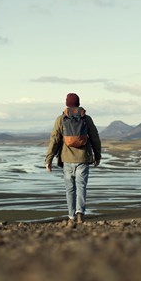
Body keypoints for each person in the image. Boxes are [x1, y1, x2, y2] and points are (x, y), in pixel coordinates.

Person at [45, 93, 101, 226]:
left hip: (67, 159)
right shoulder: (86, 118)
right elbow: (95, 137)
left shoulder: (61, 119)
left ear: (67, 103)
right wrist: (97, 155)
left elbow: (54, 139)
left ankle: (71, 217)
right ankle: (80, 214)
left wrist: (49, 159)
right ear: (78, 103)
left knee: (70, 189)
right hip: (83, 158)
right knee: (81, 186)